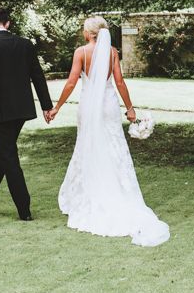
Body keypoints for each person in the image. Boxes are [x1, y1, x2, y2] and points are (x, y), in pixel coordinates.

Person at [47, 16, 169, 246]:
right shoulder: (112, 52)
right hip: (109, 104)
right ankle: (119, 193)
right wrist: (130, 109)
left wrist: (56, 107)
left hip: (88, 107)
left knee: (87, 145)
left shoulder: (81, 53)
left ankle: (90, 194)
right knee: (115, 147)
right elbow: (120, 82)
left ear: (89, 33)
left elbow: (72, 82)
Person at [0, 7, 53, 221]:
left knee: (8, 158)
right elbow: (38, 76)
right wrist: (46, 106)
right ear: (7, 23)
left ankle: (24, 209)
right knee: (0, 156)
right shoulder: (25, 45)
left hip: (0, 113)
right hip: (22, 110)